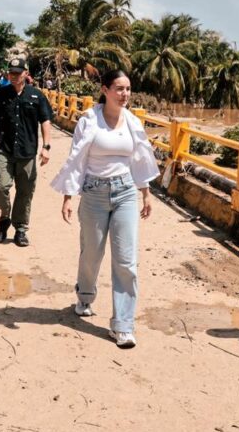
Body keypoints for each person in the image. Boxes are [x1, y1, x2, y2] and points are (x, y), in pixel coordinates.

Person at [50, 71, 159, 348]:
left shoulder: (132, 122)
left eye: (128, 89)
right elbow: (76, 159)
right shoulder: (89, 120)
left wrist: (146, 193)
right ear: (105, 90)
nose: (125, 94)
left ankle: (123, 325)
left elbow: (140, 158)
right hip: (94, 193)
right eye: (119, 89)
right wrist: (68, 197)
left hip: (125, 192)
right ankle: (85, 296)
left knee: (126, 261)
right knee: (91, 253)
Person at [0, 57, 53, 247]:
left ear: (25, 73)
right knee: (0, 185)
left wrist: (46, 147)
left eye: (17, 72)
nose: (13, 76)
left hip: (27, 152)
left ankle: (20, 229)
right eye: (11, 72)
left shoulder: (36, 96)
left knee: (25, 191)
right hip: (4, 150)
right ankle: (3, 219)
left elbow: (45, 120)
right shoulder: (0, 95)